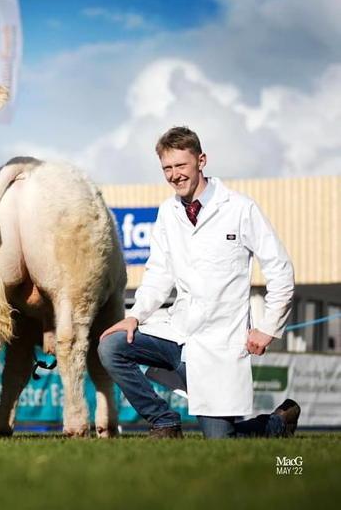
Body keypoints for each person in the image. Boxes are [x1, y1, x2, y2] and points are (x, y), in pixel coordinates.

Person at [98, 126, 299, 439]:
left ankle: (276, 423)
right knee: (111, 346)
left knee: (220, 440)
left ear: (201, 160)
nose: (175, 175)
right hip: (177, 336)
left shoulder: (239, 208)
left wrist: (268, 326)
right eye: (167, 168)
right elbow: (159, 273)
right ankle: (163, 421)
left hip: (220, 345)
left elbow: (280, 269)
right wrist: (135, 316)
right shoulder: (167, 212)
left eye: (181, 165)